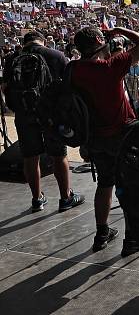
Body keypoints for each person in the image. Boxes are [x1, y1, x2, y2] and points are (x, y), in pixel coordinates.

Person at [71, 26, 139, 254]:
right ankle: (134, 238)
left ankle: (101, 233)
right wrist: (121, 29)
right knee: (129, 187)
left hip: (93, 138)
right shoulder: (110, 67)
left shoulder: (73, 69)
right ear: (101, 43)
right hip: (121, 137)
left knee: (105, 184)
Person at [1, 31, 85, 213]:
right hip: (52, 115)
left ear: (25, 43)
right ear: (43, 41)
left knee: (30, 157)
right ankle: (65, 197)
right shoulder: (55, 55)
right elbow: (70, 85)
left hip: (24, 114)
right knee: (59, 155)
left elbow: (5, 87)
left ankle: (37, 199)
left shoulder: (12, 58)